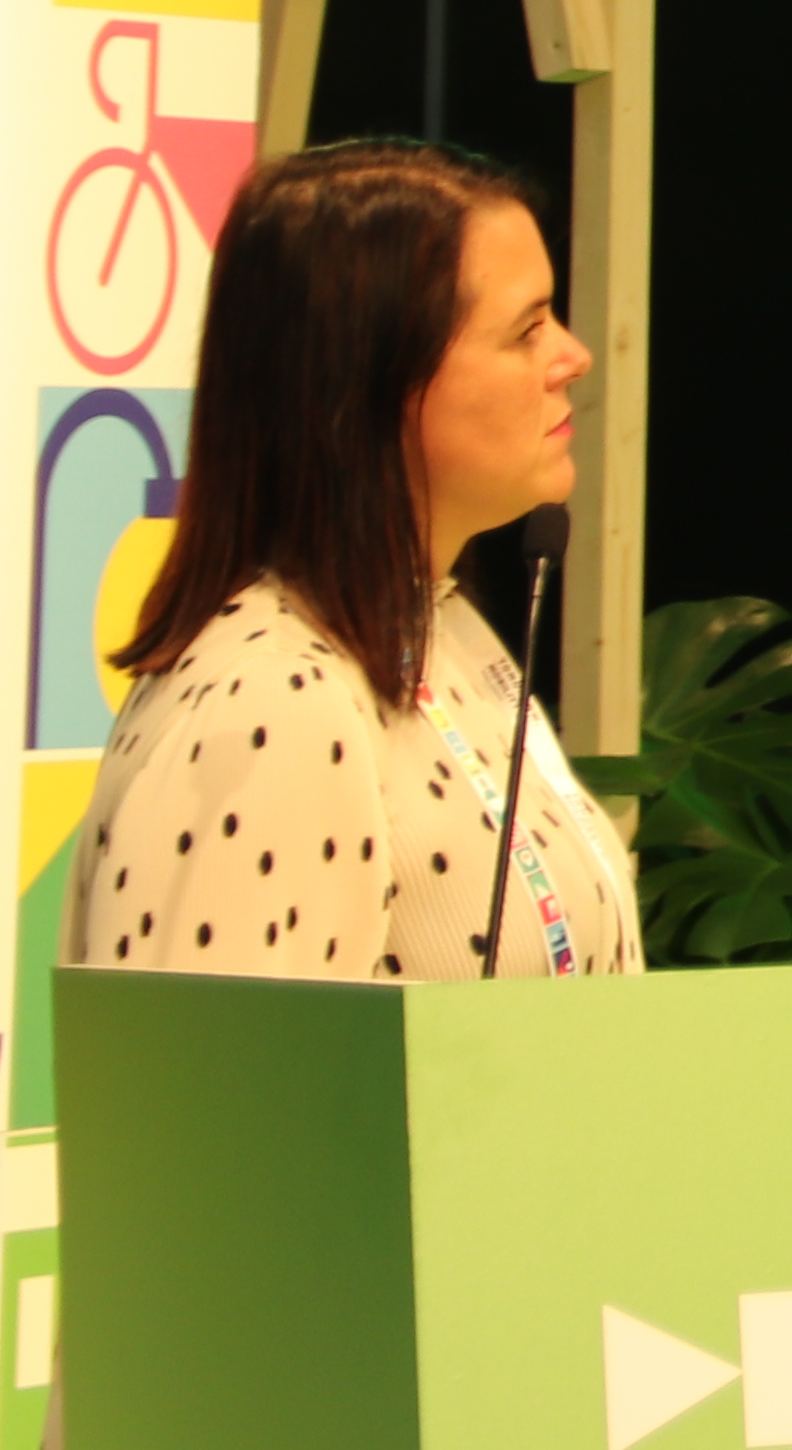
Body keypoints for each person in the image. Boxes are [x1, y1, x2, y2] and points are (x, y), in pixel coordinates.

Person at [69, 136, 638, 983]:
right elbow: (216, 1099)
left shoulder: (447, 634)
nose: (573, 357)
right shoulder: (270, 700)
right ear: (375, 382)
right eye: (526, 329)